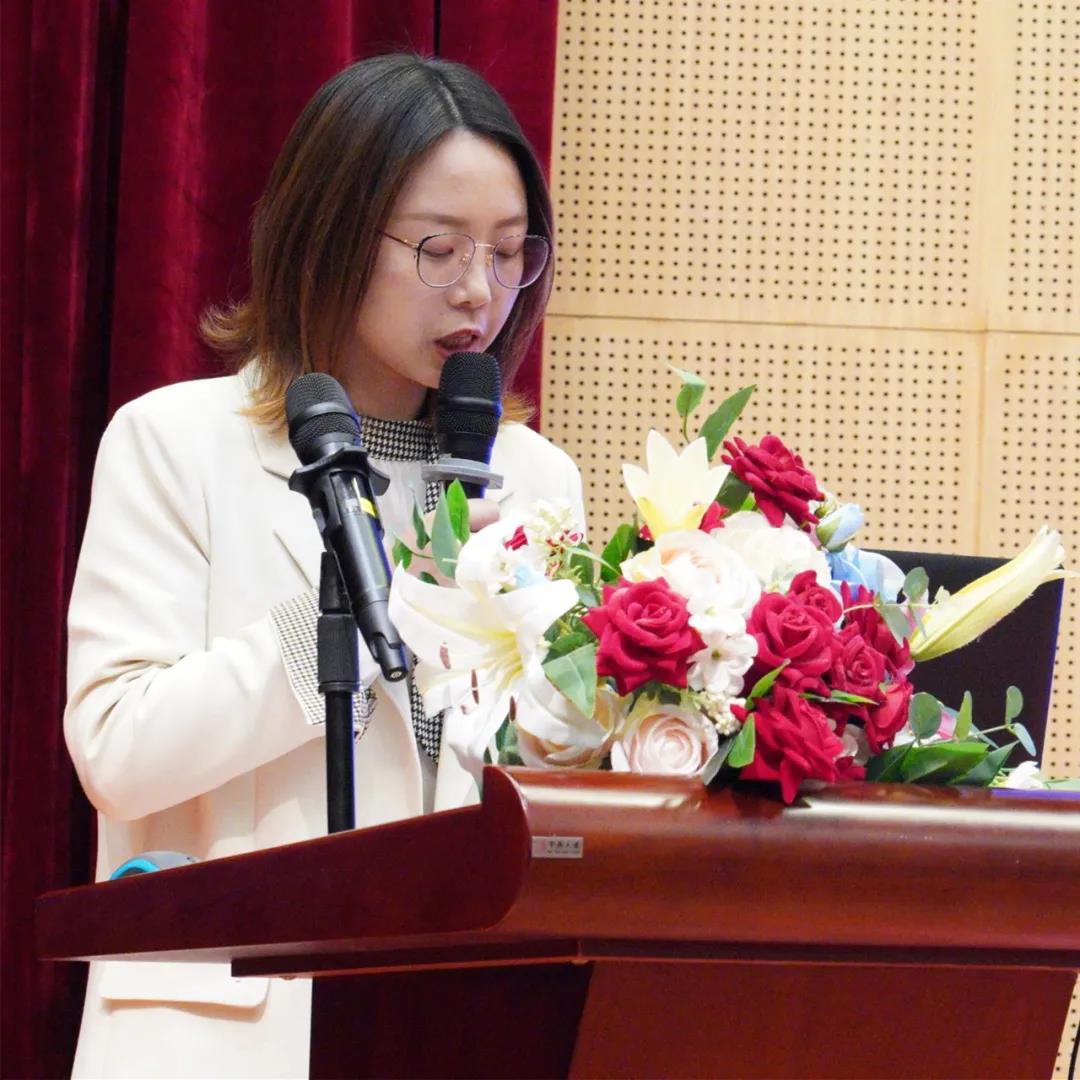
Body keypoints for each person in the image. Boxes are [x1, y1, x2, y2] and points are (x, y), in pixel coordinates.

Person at [64, 53, 585, 1079]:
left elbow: (546, 782)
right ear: (335, 232)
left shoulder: (535, 479)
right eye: (438, 249)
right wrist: (351, 612)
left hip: (460, 1024)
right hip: (225, 1031)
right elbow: (118, 752)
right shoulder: (175, 443)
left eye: (507, 253)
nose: (476, 291)